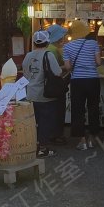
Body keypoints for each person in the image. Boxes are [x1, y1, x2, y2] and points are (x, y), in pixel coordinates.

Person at [21, 30, 62, 158]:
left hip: (30, 94)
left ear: (34, 43)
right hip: (45, 95)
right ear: (47, 42)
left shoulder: (28, 56)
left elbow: (25, 73)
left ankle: (34, 146)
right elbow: (58, 72)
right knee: (45, 122)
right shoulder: (48, 55)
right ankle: (43, 148)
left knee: (34, 122)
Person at [63, 20, 102, 151]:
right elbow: (98, 62)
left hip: (77, 81)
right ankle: (92, 138)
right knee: (93, 108)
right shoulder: (93, 43)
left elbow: (68, 67)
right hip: (93, 80)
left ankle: (82, 140)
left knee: (78, 110)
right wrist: (89, 64)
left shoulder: (67, 47)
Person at [45, 24, 69, 146]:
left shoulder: (46, 48)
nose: (63, 38)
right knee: (59, 110)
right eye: (62, 36)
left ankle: (50, 133)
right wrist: (67, 66)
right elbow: (57, 69)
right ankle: (57, 134)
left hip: (48, 85)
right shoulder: (54, 50)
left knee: (51, 110)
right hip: (57, 85)